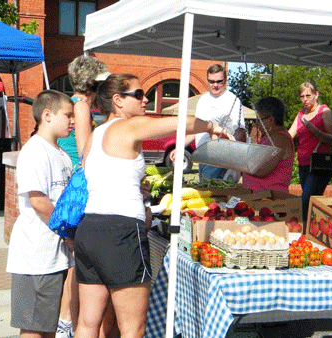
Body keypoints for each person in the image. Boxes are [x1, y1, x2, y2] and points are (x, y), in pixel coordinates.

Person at [74, 73, 233, 338]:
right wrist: (212, 127)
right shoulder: (130, 127)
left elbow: (98, 176)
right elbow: (182, 123)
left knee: (88, 323)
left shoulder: (95, 134)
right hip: (120, 232)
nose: (145, 98)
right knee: (132, 329)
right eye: (138, 94)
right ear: (118, 100)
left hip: (89, 228)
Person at [6, 90, 75, 338]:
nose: (72, 121)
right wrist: (68, 232)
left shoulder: (62, 154)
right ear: (47, 115)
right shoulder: (35, 151)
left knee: (47, 327)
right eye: (67, 115)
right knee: (34, 328)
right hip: (35, 255)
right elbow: (38, 201)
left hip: (54, 255)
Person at [56, 55, 111, 338]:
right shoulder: (81, 107)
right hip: (79, 191)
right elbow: (85, 152)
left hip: (72, 188)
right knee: (78, 262)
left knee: (77, 261)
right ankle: (67, 321)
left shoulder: (76, 104)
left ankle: (68, 321)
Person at [170, 64, 246, 181]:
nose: (215, 85)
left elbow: (240, 132)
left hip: (221, 160)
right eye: (211, 81)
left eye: (219, 81)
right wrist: (179, 147)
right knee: (207, 195)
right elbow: (196, 129)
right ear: (207, 80)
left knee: (215, 195)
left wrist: (238, 160)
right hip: (203, 158)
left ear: (225, 81)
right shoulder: (203, 100)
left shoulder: (233, 100)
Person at [288, 81, 332, 230]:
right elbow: (289, 136)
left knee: (305, 201)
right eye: (302, 96)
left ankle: (302, 236)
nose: (305, 99)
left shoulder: (324, 112)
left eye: (308, 95)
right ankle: (316, 232)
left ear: (316, 95)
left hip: (319, 164)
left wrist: (314, 130)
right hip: (303, 164)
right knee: (311, 203)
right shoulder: (301, 115)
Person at [58, 55, 109, 166]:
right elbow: (84, 153)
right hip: (77, 170)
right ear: (94, 84)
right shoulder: (81, 106)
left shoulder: (71, 102)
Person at [242, 97, 294, 193]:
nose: (257, 124)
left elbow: (262, 170)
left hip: (270, 200)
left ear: (270, 120)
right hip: (259, 198)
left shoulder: (279, 138)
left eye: (259, 120)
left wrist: (237, 163)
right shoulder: (269, 136)